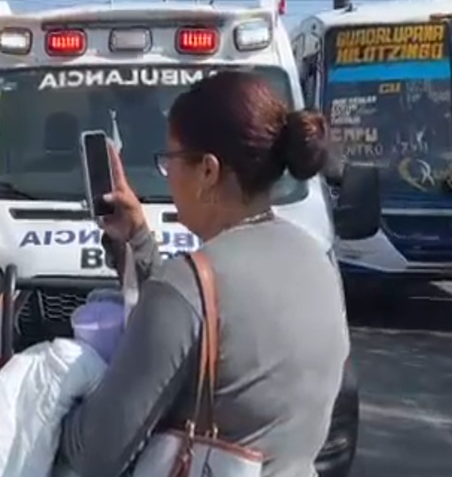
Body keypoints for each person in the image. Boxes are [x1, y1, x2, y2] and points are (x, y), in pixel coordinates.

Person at [56, 71, 348, 477]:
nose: (168, 174)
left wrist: (49, 402)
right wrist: (139, 237)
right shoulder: (317, 262)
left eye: (169, 160)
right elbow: (204, 314)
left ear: (208, 171)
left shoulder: (186, 286)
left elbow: (95, 453)